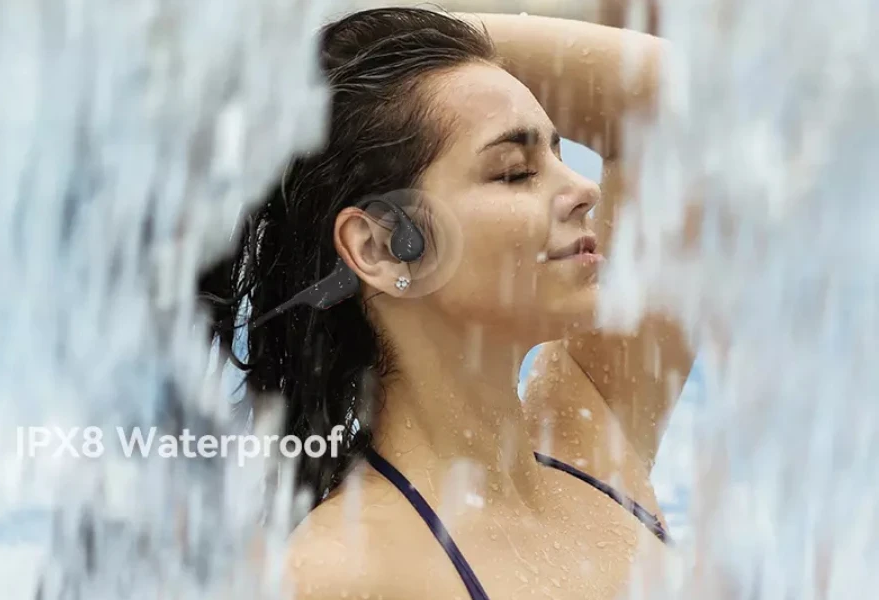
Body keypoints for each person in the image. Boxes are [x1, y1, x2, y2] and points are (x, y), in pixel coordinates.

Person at [199, 6, 691, 599]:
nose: (583, 189)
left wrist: (351, 44)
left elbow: (692, 107)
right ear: (381, 247)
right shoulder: (338, 575)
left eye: (560, 156)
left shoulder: (592, 443)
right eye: (514, 172)